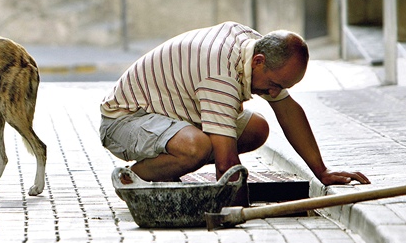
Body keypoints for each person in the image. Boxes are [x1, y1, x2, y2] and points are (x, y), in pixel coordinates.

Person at [100, 21, 370, 188]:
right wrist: (241, 210)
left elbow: (288, 109)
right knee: (197, 147)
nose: (274, 92)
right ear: (259, 61)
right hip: (125, 121)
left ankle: (170, 165)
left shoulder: (251, 47)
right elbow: (226, 165)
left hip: (170, 113)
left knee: (257, 129)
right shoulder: (220, 73)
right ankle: (133, 179)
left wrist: (322, 171)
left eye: (282, 87)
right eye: (275, 84)